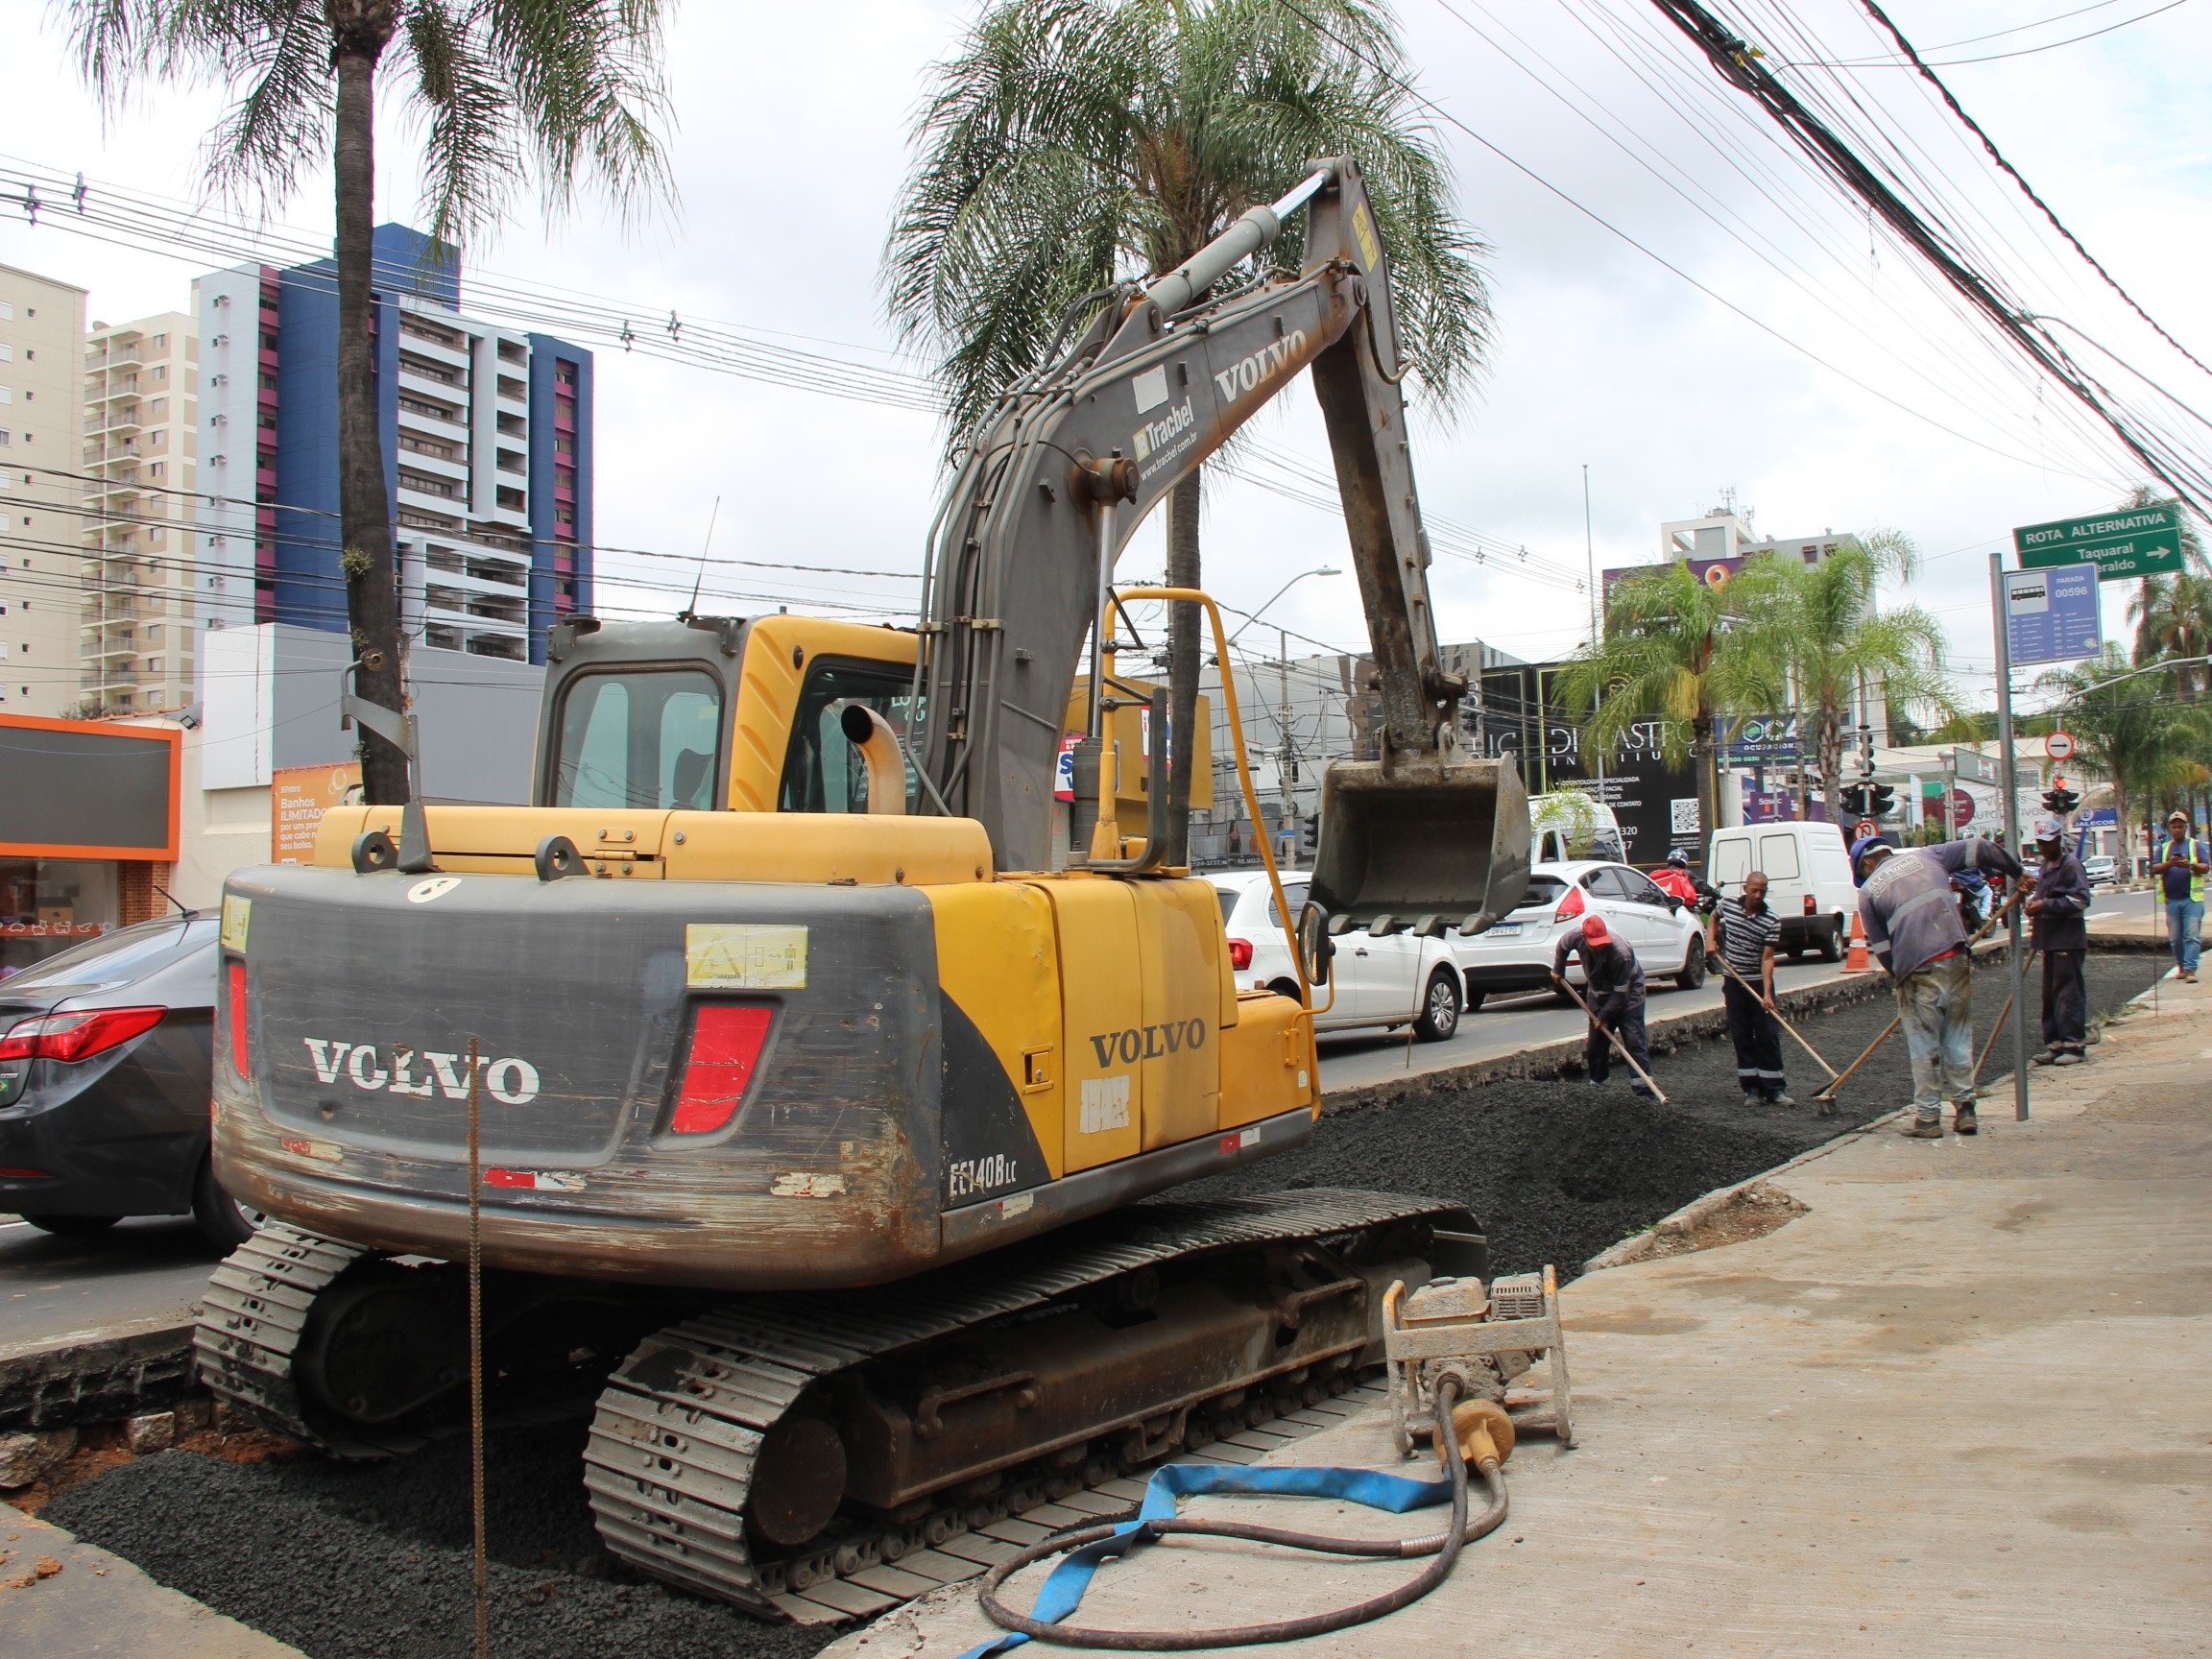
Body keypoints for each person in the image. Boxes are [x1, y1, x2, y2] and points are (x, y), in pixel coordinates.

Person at [1854, 833, 2024, 1139]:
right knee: (1957, 1036)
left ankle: (1929, 1119)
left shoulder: (1867, 893)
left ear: (1867, 863)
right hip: (1955, 955)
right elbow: (1982, 848)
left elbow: (1882, 950)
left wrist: (1902, 980)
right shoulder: (1929, 855)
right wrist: (2018, 873)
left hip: (1916, 968)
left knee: (1924, 1045)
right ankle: (1966, 1109)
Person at [1707, 871, 1791, 1108]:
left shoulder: (1771, 920)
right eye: (1754, 890)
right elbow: (1713, 917)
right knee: (1742, 1034)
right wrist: (1710, 941)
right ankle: (1752, 1089)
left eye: (1762, 891)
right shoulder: (1728, 905)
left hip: (1757, 980)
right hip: (1733, 980)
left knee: (1767, 1034)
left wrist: (1766, 993)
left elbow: (1767, 959)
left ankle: (1775, 1089)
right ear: (1745, 888)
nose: (1757, 895)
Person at [1551, 913, 1656, 1099]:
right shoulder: (1574, 937)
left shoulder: (1620, 954)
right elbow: (1562, 946)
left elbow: (1620, 995)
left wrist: (1604, 1016)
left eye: (1602, 942)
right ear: (1584, 938)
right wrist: (1558, 969)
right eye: (1595, 943)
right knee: (1595, 1045)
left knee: (1634, 1041)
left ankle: (1644, 1093)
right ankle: (1599, 1088)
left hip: (1629, 994)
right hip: (1598, 993)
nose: (1600, 946)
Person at [2026, 816, 2092, 1066]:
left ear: (2057, 840)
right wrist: (2034, 904)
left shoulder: (2070, 865)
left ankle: (2074, 1045)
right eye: (2040, 844)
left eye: (2048, 842)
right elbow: (2043, 895)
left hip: (2067, 939)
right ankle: (2054, 1043)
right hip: (2049, 939)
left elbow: (2080, 900)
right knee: (2050, 995)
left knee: (2068, 993)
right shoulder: (2046, 867)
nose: (2044, 848)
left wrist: (2046, 905)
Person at [2150, 809, 2206, 982]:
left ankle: (2190, 969)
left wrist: (2190, 865)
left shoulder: (2195, 845)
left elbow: (2205, 867)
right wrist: (2170, 863)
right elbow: (2154, 868)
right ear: (2169, 828)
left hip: (2192, 900)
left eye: (2181, 826)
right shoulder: (2164, 848)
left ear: (2186, 827)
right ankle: (2181, 966)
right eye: (2174, 826)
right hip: (2171, 901)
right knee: (2175, 938)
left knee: (2192, 935)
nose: (2177, 829)